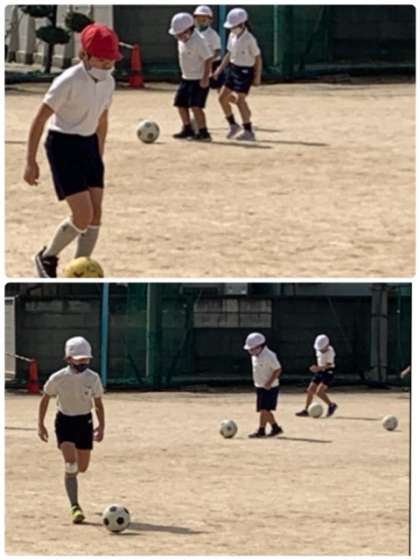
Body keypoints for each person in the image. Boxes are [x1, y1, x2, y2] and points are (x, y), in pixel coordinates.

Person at [23, 23, 122, 278]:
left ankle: (80, 267)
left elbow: (102, 119)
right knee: (82, 214)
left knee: (96, 213)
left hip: (89, 145)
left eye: (110, 61)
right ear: (84, 55)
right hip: (63, 145)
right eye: (101, 60)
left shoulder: (108, 82)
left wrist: (98, 153)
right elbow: (40, 119)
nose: (106, 66)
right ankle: (47, 256)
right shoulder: (68, 80)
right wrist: (31, 161)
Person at [37, 336, 105, 524]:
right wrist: (41, 424)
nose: (83, 363)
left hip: (84, 422)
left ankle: (72, 474)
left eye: (86, 360)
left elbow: (98, 404)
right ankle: (75, 506)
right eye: (79, 360)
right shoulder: (58, 378)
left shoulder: (93, 378)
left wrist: (101, 426)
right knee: (70, 464)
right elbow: (45, 398)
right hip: (65, 422)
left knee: (82, 468)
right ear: (68, 359)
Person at [213, 8, 262, 141]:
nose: (232, 29)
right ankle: (233, 125)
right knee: (222, 98)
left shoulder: (250, 39)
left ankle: (248, 131)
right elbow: (229, 54)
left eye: (234, 26)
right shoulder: (232, 36)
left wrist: (257, 77)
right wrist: (219, 69)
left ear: (242, 24)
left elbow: (258, 58)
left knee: (240, 100)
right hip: (232, 69)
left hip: (245, 72)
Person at [169, 12, 213, 141]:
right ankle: (187, 128)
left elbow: (208, 59)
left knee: (196, 106)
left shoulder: (199, 41)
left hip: (199, 79)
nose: (178, 37)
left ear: (189, 30)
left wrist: (205, 78)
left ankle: (203, 132)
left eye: (180, 34)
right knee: (180, 103)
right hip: (186, 78)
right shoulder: (181, 41)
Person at [244, 332, 283, 438]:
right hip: (259, 386)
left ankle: (267, 429)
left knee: (264, 409)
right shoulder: (254, 356)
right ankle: (270, 428)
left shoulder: (269, 356)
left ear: (260, 347)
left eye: (252, 349)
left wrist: (269, 382)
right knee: (263, 410)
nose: (250, 352)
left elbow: (278, 369)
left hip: (270, 387)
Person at [296, 334, 338, 417]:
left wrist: (317, 368)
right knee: (310, 390)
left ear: (327, 345)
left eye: (322, 349)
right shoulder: (318, 350)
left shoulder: (330, 352)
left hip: (328, 372)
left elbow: (329, 365)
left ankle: (331, 405)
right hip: (320, 371)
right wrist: (317, 368)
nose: (321, 350)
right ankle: (307, 410)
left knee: (319, 392)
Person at [193, 5, 223, 89]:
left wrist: (209, 61)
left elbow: (217, 51)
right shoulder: (193, 33)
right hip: (199, 64)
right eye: (198, 19)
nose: (201, 21)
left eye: (204, 19)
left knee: (218, 88)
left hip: (213, 64)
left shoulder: (213, 35)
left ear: (210, 20)